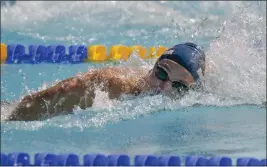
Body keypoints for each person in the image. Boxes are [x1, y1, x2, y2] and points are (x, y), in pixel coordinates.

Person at [5, 42, 206, 121]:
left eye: (178, 86)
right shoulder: (115, 84)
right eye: (161, 74)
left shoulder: (203, 94)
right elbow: (69, 88)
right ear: (153, 66)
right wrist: (9, 116)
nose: (164, 87)